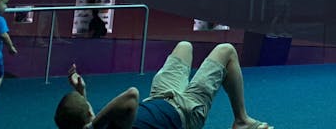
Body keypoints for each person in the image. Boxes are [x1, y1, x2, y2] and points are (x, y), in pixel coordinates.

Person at [53, 40, 272, 129]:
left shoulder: (97, 123)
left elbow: (89, 117)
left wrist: (81, 92)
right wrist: (92, 126)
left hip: (160, 97)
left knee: (184, 46)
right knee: (227, 51)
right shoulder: (114, 126)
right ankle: (241, 120)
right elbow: (131, 96)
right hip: (186, 111)